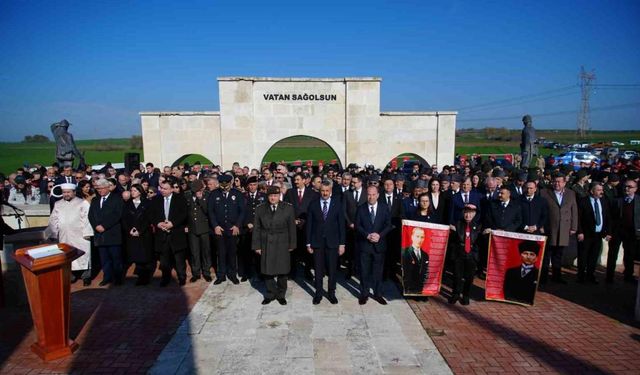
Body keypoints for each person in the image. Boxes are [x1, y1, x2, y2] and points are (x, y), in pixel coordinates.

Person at [252, 186, 297, 305]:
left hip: (282, 242)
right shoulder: (260, 209)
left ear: (279, 196)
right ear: (268, 196)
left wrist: (292, 244)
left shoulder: (288, 208)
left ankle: (281, 294)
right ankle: (271, 293)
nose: (273, 198)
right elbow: (256, 228)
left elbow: (292, 228)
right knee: (267, 270)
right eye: (271, 196)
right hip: (266, 242)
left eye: (275, 196)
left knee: (282, 270)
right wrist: (257, 246)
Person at [306, 180, 346, 304]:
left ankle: (331, 292)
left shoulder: (337, 204)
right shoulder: (313, 204)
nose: (324, 193)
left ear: (331, 191)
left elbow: (341, 225)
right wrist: (308, 243)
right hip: (317, 243)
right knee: (318, 270)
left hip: (333, 242)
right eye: (322, 191)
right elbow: (309, 225)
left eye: (327, 191)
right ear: (319, 191)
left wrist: (342, 244)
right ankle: (318, 293)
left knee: (332, 270)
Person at [46, 183, 94, 286]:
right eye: (64, 192)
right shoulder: (58, 204)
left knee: (84, 255)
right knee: (67, 255)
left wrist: (87, 232)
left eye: (68, 192)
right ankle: (71, 276)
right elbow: (53, 219)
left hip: (80, 235)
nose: (66, 194)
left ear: (74, 192)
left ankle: (86, 277)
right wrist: (54, 233)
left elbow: (87, 219)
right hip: (65, 235)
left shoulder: (82, 203)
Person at [356, 185, 393, 305]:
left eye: (373, 194)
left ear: (377, 195)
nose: (371, 197)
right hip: (365, 245)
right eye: (369, 194)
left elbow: (388, 225)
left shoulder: (384, 207)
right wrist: (367, 235)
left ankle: (378, 294)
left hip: (379, 245)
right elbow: (358, 226)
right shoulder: (361, 208)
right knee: (364, 271)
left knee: (378, 272)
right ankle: (364, 293)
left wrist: (379, 235)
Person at [150, 179, 189, 286]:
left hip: (176, 233)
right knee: (164, 260)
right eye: (161, 188)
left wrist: (172, 224)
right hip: (161, 234)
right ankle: (165, 278)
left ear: (172, 189)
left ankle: (182, 277)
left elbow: (184, 214)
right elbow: (151, 215)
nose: (162, 190)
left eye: (165, 189)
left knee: (179, 259)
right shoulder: (156, 200)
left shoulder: (180, 199)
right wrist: (158, 223)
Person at [540, 173, 578, 284]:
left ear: (564, 182)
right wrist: (541, 225)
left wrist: (574, 226)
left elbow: (574, 211)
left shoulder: (571, 194)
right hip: (549, 227)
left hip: (564, 228)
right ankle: (543, 277)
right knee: (547, 254)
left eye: (559, 182)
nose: (556, 184)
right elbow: (541, 211)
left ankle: (557, 276)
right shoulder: (544, 193)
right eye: (554, 181)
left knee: (558, 254)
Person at [208, 174, 245, 284]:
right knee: (221, 252)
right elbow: (211, 211)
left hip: (232, 229)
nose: (224, 187)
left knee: (232, 253)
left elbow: (242, 211)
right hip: (220, 229)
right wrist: (215, 226)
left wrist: (237, 225)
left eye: (227, 185)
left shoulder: (237, 194)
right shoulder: (214, 194)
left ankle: (232, 274)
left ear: (230, 183)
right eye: (222, 185)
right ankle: (221, 275)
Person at [88, 178, 125, 286]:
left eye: (102, 188)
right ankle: (107, 277)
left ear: (108, 187)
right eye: (98, 189)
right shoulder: (95, 200)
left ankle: (118, 278)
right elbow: (91, 215)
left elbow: (117, 215)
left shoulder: (117, 199)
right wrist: (96, 226)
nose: (100, 191)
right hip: (100, 235)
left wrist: (104, 226)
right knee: (104, 259)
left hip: (112, 233)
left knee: (116, 258)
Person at [284, 172, 318, 280]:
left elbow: (314, 210)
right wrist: (292, 220)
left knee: (307, 250)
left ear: (304, 180)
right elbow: (286, 208)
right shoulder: (290, 192)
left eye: (298, 180)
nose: (295, 182)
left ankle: (307, 271)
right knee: (292, 250)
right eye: (295, 180)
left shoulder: (312, 193)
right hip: (293, 226)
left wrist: (304, 220)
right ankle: (292, 272)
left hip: (307, 226)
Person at [576, 182, 612, 284]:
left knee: (594, 256)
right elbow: (578, 218)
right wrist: (580, 232)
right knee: (583, 256)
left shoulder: (604, 201)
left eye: (602, 190)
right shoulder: (583, 201)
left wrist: (608, 232)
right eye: (599, 190)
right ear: (592, 191)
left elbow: (607, 217)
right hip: (586, 234)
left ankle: (590, 275)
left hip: (598, 234)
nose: (601, 192)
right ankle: (581, 276)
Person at [607, 179, 639, 283]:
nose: (626, 188)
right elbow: (610, 217)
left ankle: (628, 275)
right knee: (612, 254)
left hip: (631, 232)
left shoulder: (639, 201)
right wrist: (609, 232)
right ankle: (609, 276)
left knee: (630, 255)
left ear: (635, 189)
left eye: (630, 187)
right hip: (617, 231)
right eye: (625, 186)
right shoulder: (617, 200)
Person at [122, 184, 155, 285]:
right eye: (131, 190)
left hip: (144, 234)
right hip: (132, 234)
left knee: (145, 257)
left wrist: (140, 230)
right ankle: (140, 277)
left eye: (135, 191)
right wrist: (130, 230)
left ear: (140, 192)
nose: (132, 192)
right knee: (136, 257)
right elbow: (124, 219)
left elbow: (148, 219)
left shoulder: (147, 203)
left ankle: (145, 278)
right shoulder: (127, 204)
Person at [449, 204, 482, 305]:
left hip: (471, 254)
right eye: (466, 213)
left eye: (471, 213)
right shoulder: (457, 224)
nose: (468, 216)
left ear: (474, 214)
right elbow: (453, 240)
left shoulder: (478, 226)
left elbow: (479, 242)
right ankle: (455, 294)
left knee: (469, 277)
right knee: (457, 276)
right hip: (459, 252)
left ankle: (466, 295)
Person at [185, 180, 212, 282]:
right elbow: (186, 212)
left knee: (206, 251)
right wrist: (186, 225)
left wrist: (201, 199)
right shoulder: (187, 196)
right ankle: (196, 273)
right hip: (192, 229)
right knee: (194, 252)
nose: (195, 192)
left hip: (204, 228)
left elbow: (208, 211)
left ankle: (206, 272)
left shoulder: (207, 196)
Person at [241, 176, 266, 281]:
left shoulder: (263, 196)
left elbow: (266, 212)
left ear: (257, 185)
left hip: (260, 229)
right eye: (250, 185)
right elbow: (240, 212)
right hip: (247, 229)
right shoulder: (242, 197)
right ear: (247, 186)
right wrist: (247, 223)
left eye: (254, 185)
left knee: (259, 253)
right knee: (246, 252)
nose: (252, 187)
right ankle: (247, 273)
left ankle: (260, 272)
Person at [503, 240, 540, 305]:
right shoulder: (510, 272)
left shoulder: (538, 274)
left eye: (532, 254)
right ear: (520, 255)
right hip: (511, 300)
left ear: (536, 258)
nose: (528, 257)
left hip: (527, 302)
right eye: (525, 253)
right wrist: (508, 298)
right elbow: (506, 288)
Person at [401, 227, 429, 294]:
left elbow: (425, 271)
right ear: (412, 237)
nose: (419, 239)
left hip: (420, 288)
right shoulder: (405, 252)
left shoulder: (425, 255)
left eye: (422, 237)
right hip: (408, 287)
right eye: (417, 236)